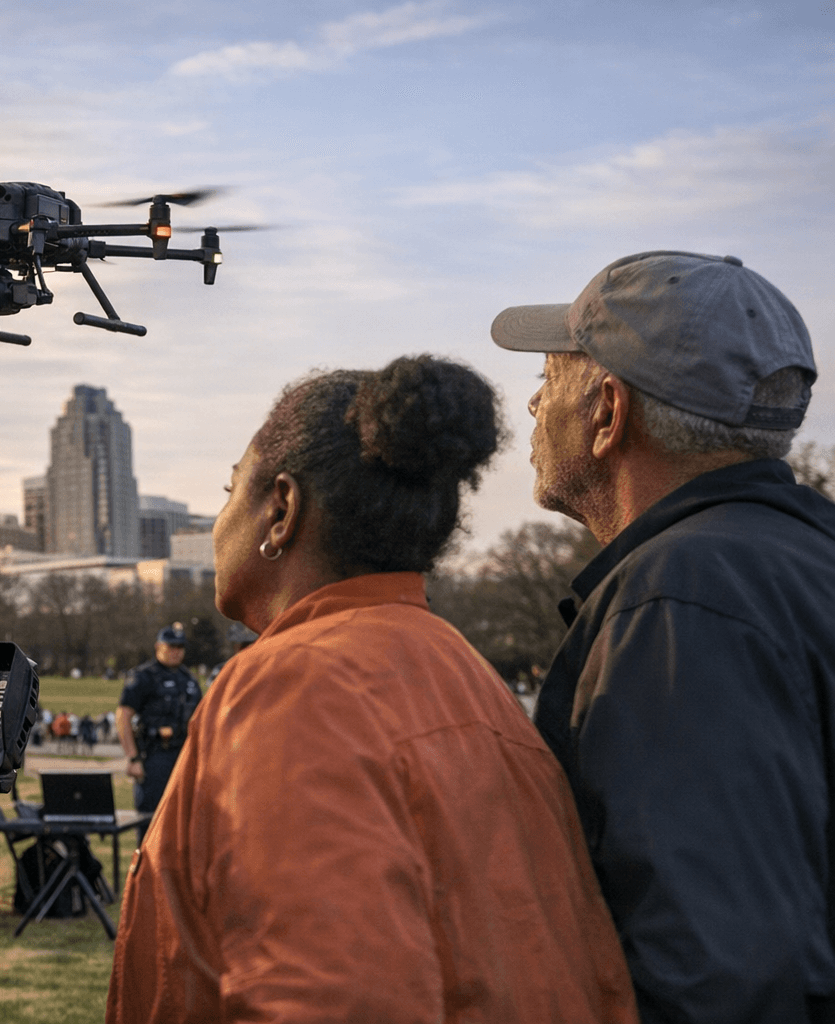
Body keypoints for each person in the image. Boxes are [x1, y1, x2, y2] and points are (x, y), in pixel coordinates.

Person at [106, 356, 638, 1023]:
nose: (218, 522)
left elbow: (330, 996)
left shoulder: (297, 686)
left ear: (281, 509)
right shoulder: (468, 677)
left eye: (228, 489)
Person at [490, 250, 835, 1023]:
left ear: (608, 413)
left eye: (548, 381)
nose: (534, 408)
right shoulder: (799, 558)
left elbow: (720, 972)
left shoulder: (681, 599)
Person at [116, 623, 202, 843]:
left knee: (185, 826)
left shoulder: (190, 680)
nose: (176, 651)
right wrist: (132, 757)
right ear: (158, 646)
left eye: (180, 647)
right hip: (155, 757)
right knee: (151, 826)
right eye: (171, 646)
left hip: (183, 757)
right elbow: (123, 715)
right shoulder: (144, 677)